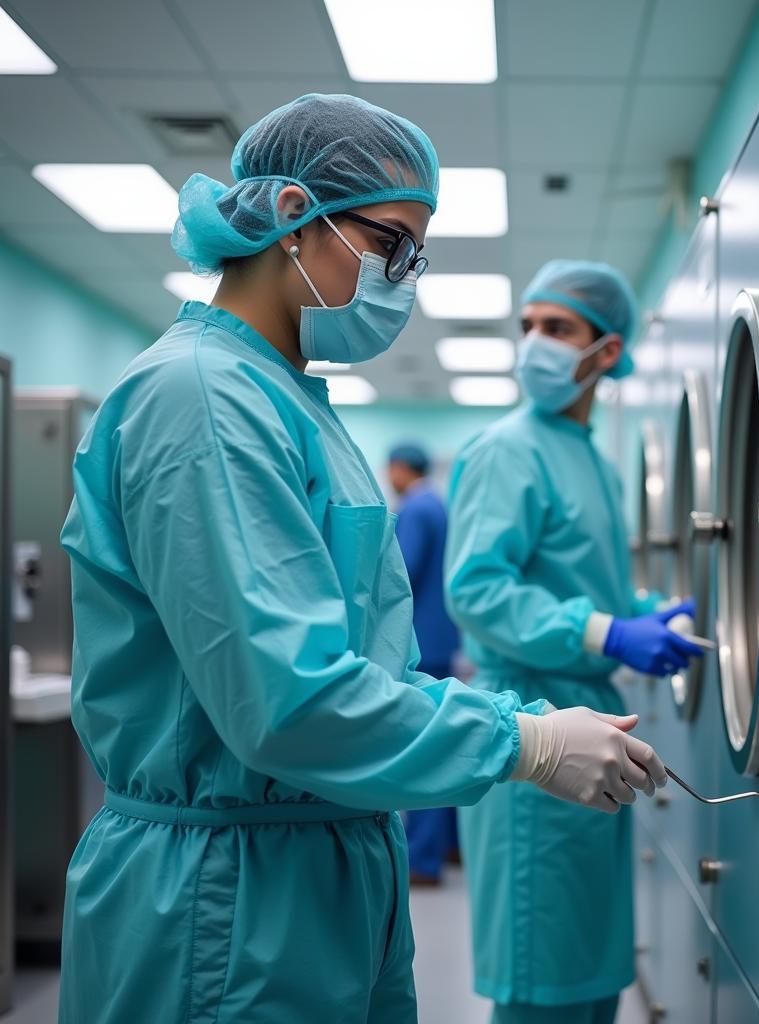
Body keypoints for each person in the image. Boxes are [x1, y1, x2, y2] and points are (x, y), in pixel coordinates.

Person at [57, 96, 670, 1024]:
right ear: (295, 214)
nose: (404, 276)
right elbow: (287, 699)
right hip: (226, 901)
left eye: (415, 256)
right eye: (392, 243)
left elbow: (363, 665)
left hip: (323, 864)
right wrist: (524, 741)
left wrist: (518, 720)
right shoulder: (202, 403)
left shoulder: (294, 401)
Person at [445, 259, 705, 1024]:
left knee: (589, 976)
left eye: (556, 328)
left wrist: (650, 614)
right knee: (542, 982)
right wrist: (606, 632)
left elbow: (595, 591)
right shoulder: (507, 449)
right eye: (527, 326)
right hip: (539, 724)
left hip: (591, 717)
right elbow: (477, 591)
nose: (535, 343)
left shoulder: (590, 456)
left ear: (607, 350)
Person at [387, 442, 460, 885]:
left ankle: (423, 860)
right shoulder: (438, 504)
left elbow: (399, 570)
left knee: (429, 745)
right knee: (446, 737)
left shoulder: (415, 509)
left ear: (399, 468)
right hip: (441, 637)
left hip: (422, 641)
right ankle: (450, 845)